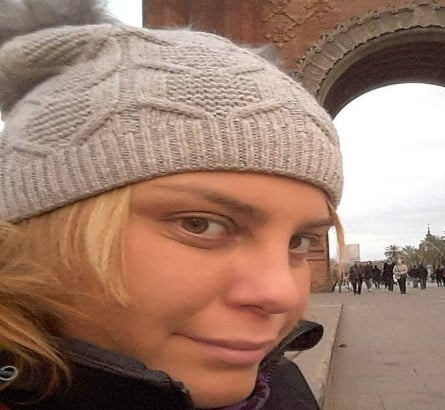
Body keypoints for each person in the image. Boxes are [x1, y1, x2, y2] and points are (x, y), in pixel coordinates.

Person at [0, 1, 344, 409]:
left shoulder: (283, 391)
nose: (281, 295)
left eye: (298, 242)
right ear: (35, 228)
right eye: (200, 224)